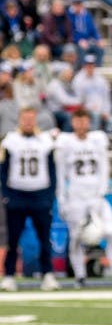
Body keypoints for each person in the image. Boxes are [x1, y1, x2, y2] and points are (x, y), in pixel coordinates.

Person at [54, 109, 112, 286]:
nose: (81, 125)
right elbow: (60, 174)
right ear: (72, 123)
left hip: (96, 196)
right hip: (76, 197)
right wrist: (62, 199)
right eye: (78, 121)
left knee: (110, 232)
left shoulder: (97, 140)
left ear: (89, 122)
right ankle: (80, 275)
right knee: (76, 237)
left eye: (84, 121)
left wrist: (102, 191)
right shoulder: (66, 142)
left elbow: (104, 167)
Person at [0, 105, 58, 291]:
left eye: (31, 118)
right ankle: (9, 275)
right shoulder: (10, 140)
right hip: (17, 194)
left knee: (44, 238)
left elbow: (52, 169)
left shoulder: (45, 140)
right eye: (25, 118)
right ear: (19, 119)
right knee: (13, 238)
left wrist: (50, 195)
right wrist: (7, 195)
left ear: (35, 120)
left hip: (40, 194)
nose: (28, 122)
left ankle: (47, 274)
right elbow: (3, 170)